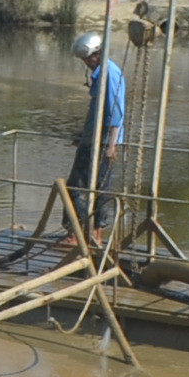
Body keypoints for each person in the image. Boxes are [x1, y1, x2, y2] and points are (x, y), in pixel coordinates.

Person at [69, 28, 128, 243]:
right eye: (85, 59)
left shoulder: (109, 74)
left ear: (98, 53)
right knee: (91, 186)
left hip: (102, 142)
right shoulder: (101, 73)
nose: (88, 62)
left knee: (79, 187)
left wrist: (111, 145)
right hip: (93, 138)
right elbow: (97, 111)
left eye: (90, 58)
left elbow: (115, 112)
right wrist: (83, 134)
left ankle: (83, 232)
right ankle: (86, 231)